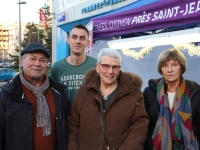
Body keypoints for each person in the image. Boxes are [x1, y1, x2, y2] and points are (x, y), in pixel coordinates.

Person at [68, 48, 149, 150]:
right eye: (105, 66)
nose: (110, 71)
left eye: (115, 67)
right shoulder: (85, 91)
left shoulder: (134, 94)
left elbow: (139, 128)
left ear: (119, 69)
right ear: (98, 67)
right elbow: (73, 123)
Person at [0, 42, 70, 150]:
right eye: (32, 59)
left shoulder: (58, 92)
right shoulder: (8, 94)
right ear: (22, 62)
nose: (37, 64)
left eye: (42, 60)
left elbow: (67, 127)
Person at [143, 49, 200, 150]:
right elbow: (143, 124)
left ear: (181, 68)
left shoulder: (194, 91)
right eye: (165, 66)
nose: (169, 70)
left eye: (174, 65)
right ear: (161, 69)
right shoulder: (149, 92)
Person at [50, 24, 97, 105]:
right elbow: (52, 96)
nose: (78, 41)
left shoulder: (96, 65)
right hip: (65, 117)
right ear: (68, 40)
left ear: (87, 42)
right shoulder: (57, 67)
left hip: (89, 117)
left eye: (82, 38)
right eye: (74, 37)